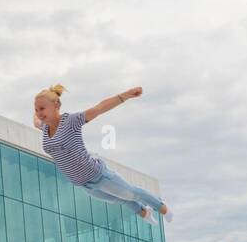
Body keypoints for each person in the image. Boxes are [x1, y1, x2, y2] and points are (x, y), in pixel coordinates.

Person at [33, 84, 168, 223]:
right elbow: (35, 121)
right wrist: (37, 105)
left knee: (131, 194)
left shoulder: (71, 121)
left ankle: (163, 208)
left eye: (42, 108)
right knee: (118, 199)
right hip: (84, 184)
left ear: (57, 105)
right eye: (36, 109)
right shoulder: (44, 128)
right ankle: (144, 213)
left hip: (98, 175)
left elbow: (99, 108)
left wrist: (126, 95)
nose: (39, 112)